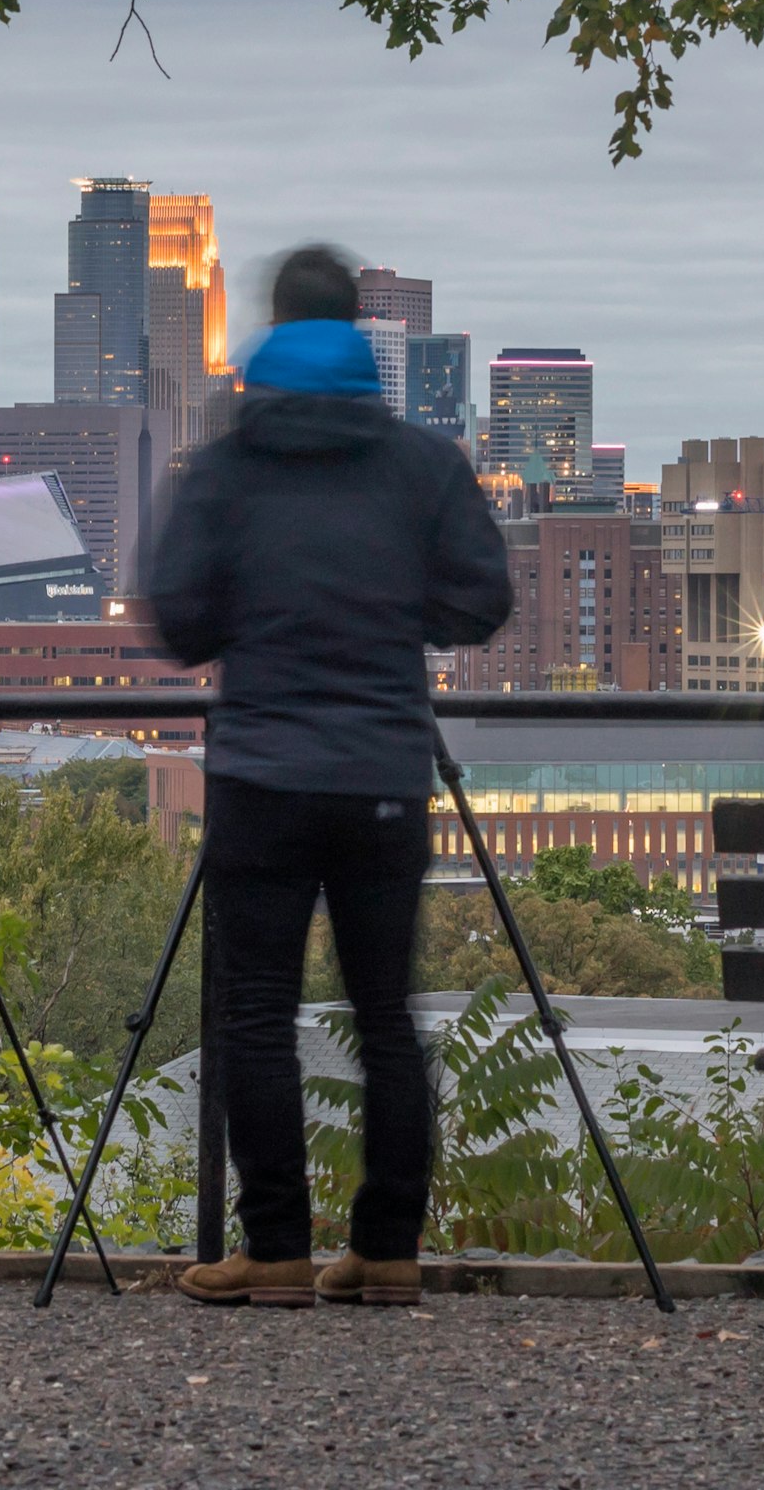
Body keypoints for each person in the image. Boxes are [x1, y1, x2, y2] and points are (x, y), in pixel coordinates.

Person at [146, 245, 512, 1308]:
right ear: (359, 331)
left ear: (270, 326)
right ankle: (388, 1247)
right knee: (385, 1013)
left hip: (262, 769)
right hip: (384, 772)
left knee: (256, 1012)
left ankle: (276, 1252)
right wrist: (400, 613)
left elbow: (179, 622)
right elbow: (480, 602)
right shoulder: (422, 464)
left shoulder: (222, 468)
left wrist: (251, 619)